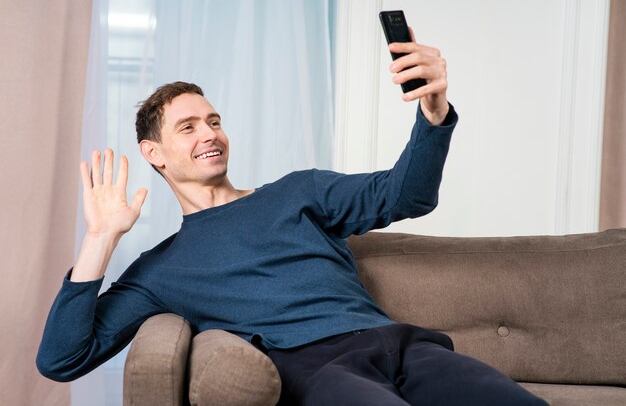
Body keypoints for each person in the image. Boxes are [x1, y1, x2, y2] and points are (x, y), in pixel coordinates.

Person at [37, 32, 547, 405]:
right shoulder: (163, 270)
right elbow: (61, 360)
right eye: (188, 127)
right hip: (317, 369)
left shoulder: (301, 191)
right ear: (156, 153)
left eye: (214, 121)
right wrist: (100, 238)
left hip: (401, 346)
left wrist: (434, 115)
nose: (209, 133)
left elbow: (405, 194)